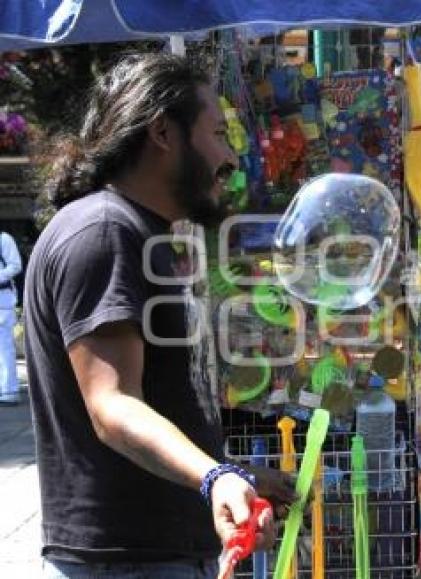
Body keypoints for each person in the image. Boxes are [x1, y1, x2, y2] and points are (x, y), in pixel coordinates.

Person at [25, 54, 296, 578]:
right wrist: (214, 476)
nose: (231, 157)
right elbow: (113, 404)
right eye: (217, 132)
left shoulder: (134, 232)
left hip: (150, 557)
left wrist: (233, 474)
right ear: (163, 133)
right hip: (128, 564)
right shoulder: (105, 232)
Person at [0, 230, 21, 405]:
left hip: (3, 300)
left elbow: (15, 265)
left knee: (4, 347)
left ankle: (8, 391)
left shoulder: (4, 238)